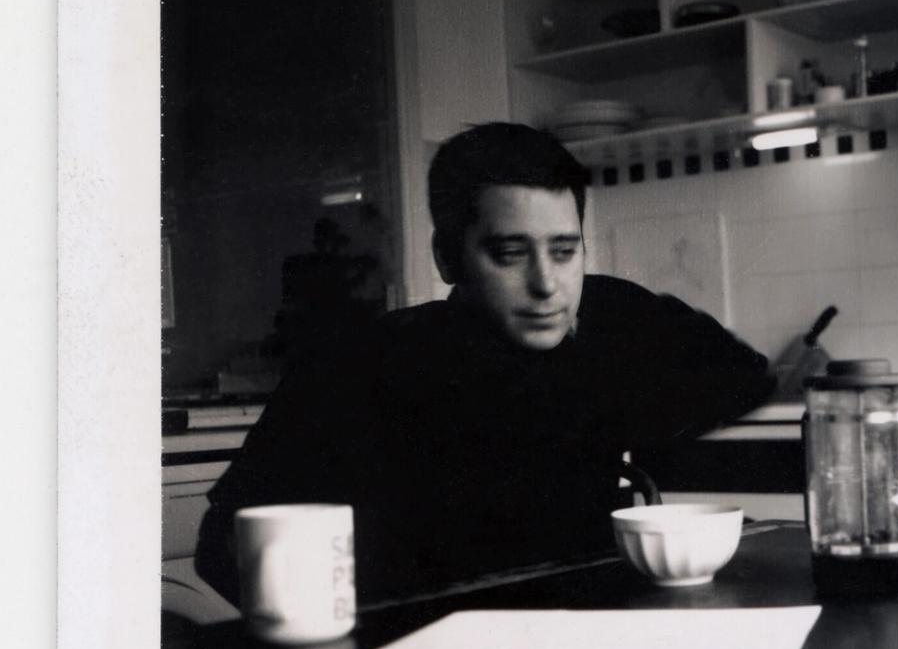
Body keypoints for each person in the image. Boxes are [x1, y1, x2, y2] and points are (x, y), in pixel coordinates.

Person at [196, 122, 775, 604]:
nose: (546, 284)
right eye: (509, 254)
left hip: (589, 648)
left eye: (565, 250)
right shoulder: (360, 366)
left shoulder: (602, 322)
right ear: (449, 258)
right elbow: (221, 546)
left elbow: (744, 377)